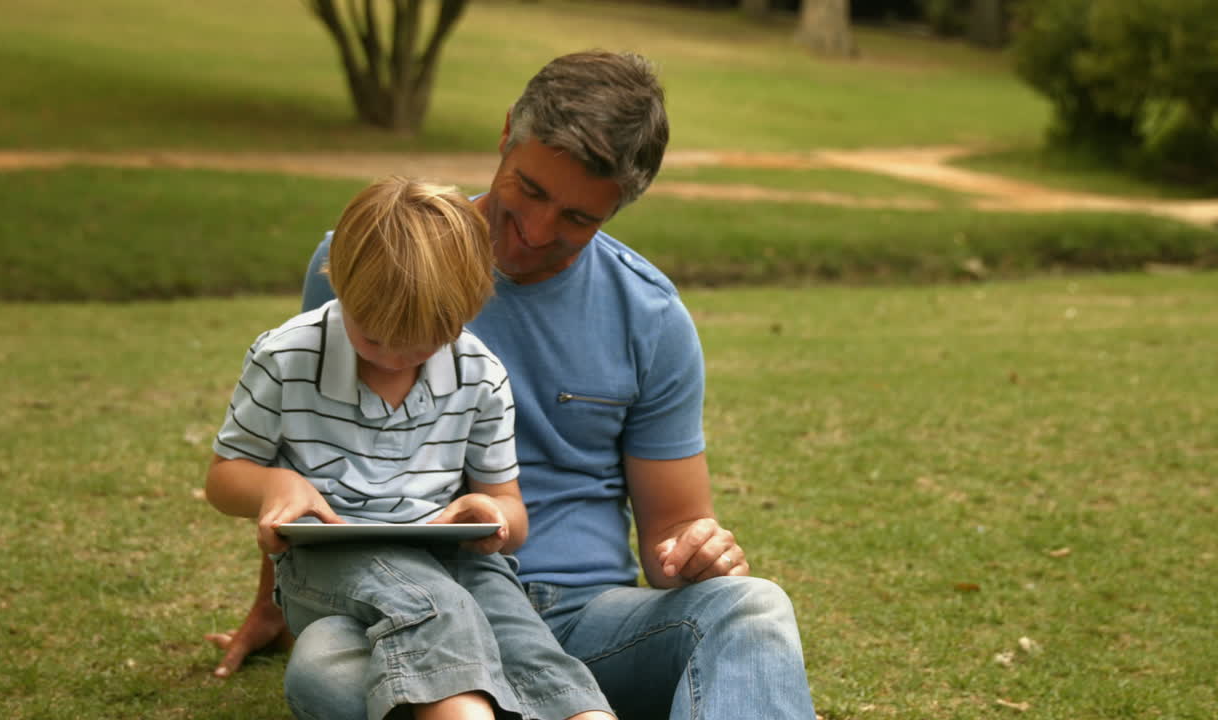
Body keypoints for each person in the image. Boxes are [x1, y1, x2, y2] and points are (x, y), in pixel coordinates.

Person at [207, 50, 818, 720]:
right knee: (324, 667)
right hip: (398, 606)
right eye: (529, 190)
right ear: (505, 136)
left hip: (582, 623)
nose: (532, 233)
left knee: (754, 608)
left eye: (578, 220)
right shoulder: (371, 259)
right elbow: (309, 446)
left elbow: (674, 529)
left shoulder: (652, 317)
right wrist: (270, 604)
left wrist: (696, 550)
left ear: (616, 209)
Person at [204, 176, 615, 720]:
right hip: (331, 556)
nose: (397, 358)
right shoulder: (286, 357)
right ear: (341, 284)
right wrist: (274, 483)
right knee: (433, 604)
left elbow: (510, 512)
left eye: (424, 341)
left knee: (522, 633)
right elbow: (223, 479)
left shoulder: (480, 373)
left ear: (468, 309)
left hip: (451, 553)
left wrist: (492, 515)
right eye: (373, 336)